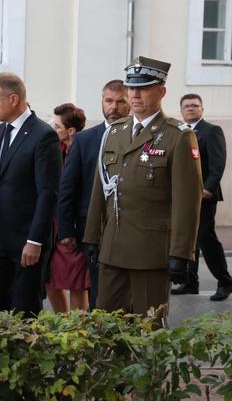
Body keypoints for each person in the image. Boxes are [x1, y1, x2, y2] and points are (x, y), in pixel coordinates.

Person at [83, 56, 202, 319]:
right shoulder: (114, 131)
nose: (135, 94)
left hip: (151, 252)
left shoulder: (178, 136)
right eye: (131, 87)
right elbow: (100, 188)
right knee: (106, 324)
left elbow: (187, 201)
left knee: (149, 327)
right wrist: (91, 235)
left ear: (161, 91)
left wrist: (181, 252)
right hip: (113, 247)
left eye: (144, 87)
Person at [0, 72, 61, 316]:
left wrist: (35, 240)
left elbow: (48, 193)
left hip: (26, 242)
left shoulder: (43, 135)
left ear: (14, 99)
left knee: (24, 313)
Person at [57, 80, 130, 309]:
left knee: (131, 294)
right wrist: (67, 230)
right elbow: (68, 187)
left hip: (131, 228)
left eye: (120, 101)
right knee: (99, 294)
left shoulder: (140, 137)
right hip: (91, 227)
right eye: (109, 101)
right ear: (102, 101)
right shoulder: (84, 139)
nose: (113, 107)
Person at [172, 93, 232, 301]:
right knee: (189, 241)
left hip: (204, 196)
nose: (190, 108)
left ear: (202, 109)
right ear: (181, 111)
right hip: (182, 197)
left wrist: (208, 187)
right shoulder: (178, 132)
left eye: (194, 105)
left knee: (206, 239)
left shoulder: (211, 131)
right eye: (186, 106)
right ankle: (190, 283)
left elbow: (218, 163)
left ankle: (225, 282)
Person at [45, 103, 89, 312]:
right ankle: (63, 325)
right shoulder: (56, 150)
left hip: (73, 225)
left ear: (70, 131)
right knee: (51, 279)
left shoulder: (83, 150)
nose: (52, 130)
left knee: (76, 282)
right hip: (52, 227)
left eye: (56, 127)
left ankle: (77, 332)